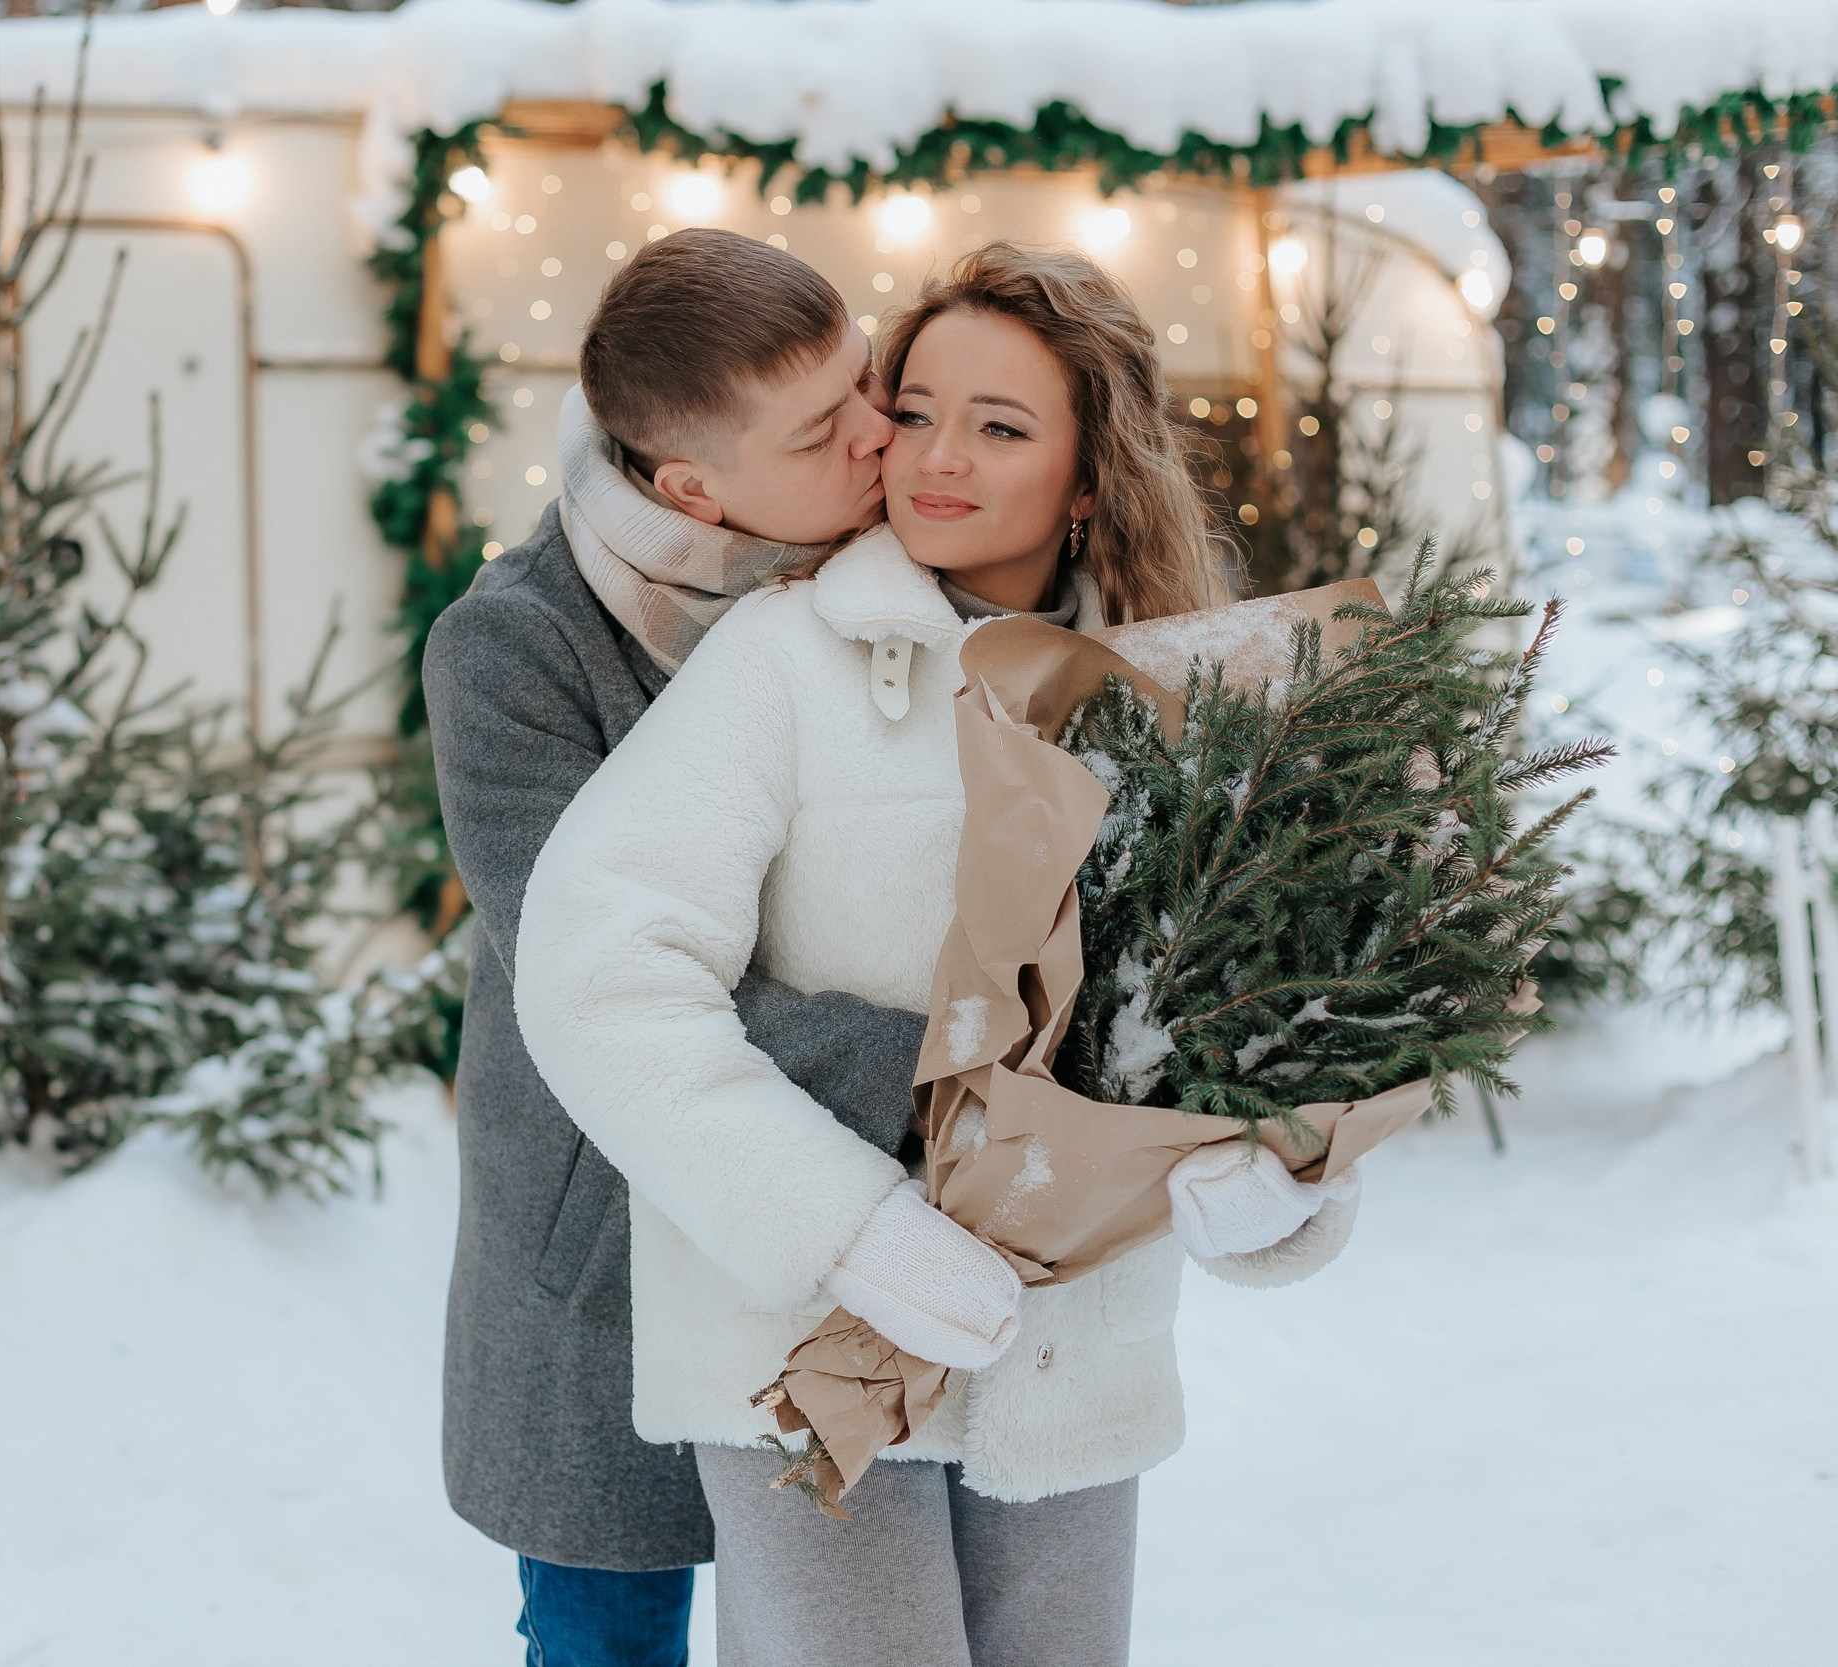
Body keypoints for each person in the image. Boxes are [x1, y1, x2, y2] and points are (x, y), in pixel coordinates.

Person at [512, 242, 1367, 1667]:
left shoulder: (1190, 694)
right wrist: (847, 1225)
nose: (936, 458)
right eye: (913, 410)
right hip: (811, 1355)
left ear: (1090, 475)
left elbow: (1265, 1007)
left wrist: (1285, 1182)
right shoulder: (784, 662)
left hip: (1070, 1360)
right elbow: (600, 977)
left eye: (1002, 425)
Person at [422, 228, 924, 1667]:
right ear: (693, 486)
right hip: (612, 1248)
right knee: (609, 1644)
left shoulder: (889, 562)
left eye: (868, 382)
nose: (882, 436)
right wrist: (949, 1065)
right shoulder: (517, 648)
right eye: (828, 429)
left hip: (858, 1217)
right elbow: (599, 978)